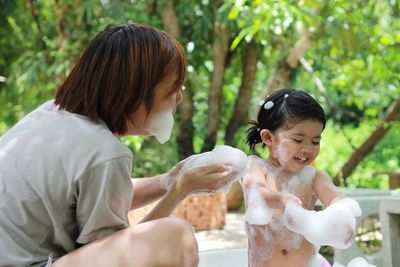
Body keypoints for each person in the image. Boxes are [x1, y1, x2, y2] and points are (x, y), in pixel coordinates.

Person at [0, 24, 234, 267]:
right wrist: (179, 191)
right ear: (133, 91)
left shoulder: (50, 113)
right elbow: (123, 256)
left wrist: (170, 180)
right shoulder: (105, 151)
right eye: (172, 89)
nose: (179, 98)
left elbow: (106, 195)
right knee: (175, 236)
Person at [242, 89, 359, 267]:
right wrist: (281, 199)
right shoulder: (256, 167)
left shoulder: (315, 177)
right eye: (298, 140)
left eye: (315, 141)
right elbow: (257, 191)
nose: (308, 149)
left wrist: (342, 215)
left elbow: (336, 199)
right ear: (268, 137)